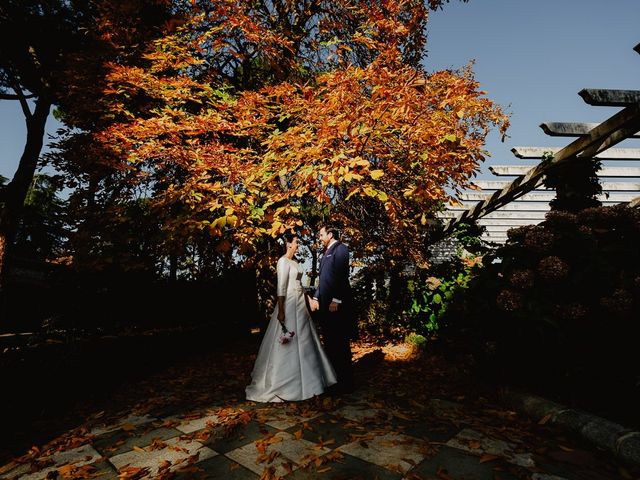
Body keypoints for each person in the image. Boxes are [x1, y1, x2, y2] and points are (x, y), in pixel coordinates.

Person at [246, 232, 337, 402]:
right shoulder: (282, 262)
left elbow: (300, 286)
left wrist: (310, 300)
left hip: (301, 305)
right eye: (296, 242)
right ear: (288, 244)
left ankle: (312, 383)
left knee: (306, 341)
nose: (298, 245)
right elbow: (281, 288)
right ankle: (283, 383)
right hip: (288, 305)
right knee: (288, 341)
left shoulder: (296, 262)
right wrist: (281, 310)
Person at [309, 224, 356, 394]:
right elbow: (323, 280)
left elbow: (342, 276)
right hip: (325, 306)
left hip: (336, 306)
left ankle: (346, 383)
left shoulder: (341, 249)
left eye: (321, 234)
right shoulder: (325, 252)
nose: (319, 238)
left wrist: (336, 299)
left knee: (340, 343)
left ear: (330, 234)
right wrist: (315, 297)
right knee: (330, 342)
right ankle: (332, 380)